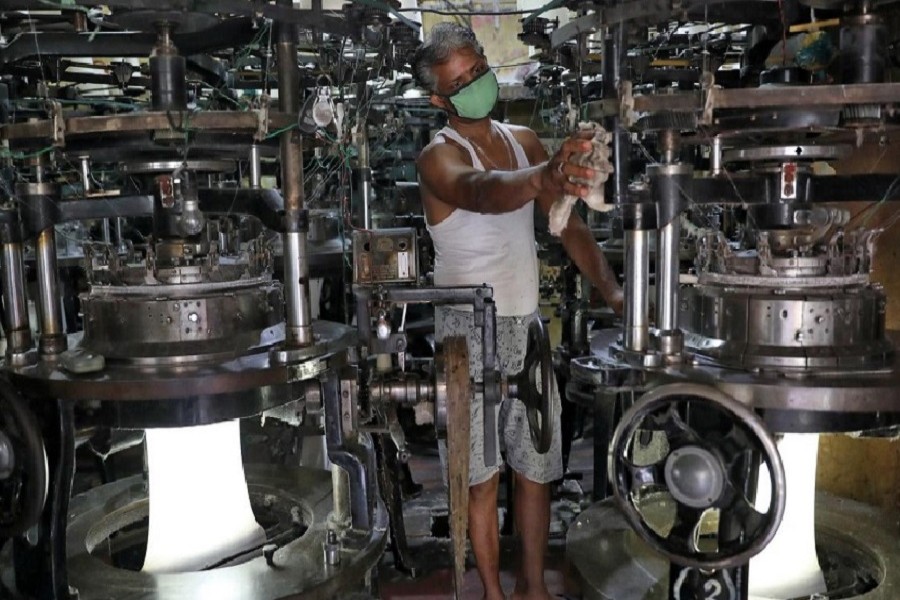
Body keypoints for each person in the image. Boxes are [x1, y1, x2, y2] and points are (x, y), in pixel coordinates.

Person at [413, 23, 624, 600]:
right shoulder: (437, 159)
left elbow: (570, 229)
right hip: (466, 332)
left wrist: (618, 298)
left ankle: (532, 588)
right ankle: (493, 594)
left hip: (526, 327)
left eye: (478, 71)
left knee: (536, 471)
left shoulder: (524, 139)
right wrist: (544, 176)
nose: (476, 85)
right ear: (439, 99)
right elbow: (483, 191)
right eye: (460, 83)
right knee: (480, 479)